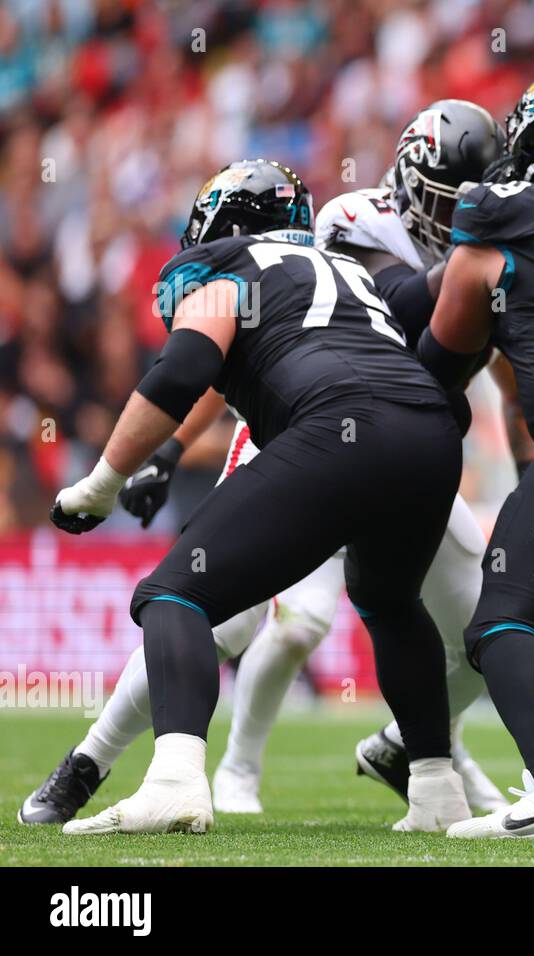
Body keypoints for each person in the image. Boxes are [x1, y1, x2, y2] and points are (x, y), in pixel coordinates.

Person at [44, 159, 469, 835]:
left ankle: (177, 780)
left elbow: (185, 367)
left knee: (174, 594)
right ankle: (435, 786)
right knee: (392, 603)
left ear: (220, 222)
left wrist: (100, 484)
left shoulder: (229, 263)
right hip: (432, 433)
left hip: (337, 429)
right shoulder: (351, 271)